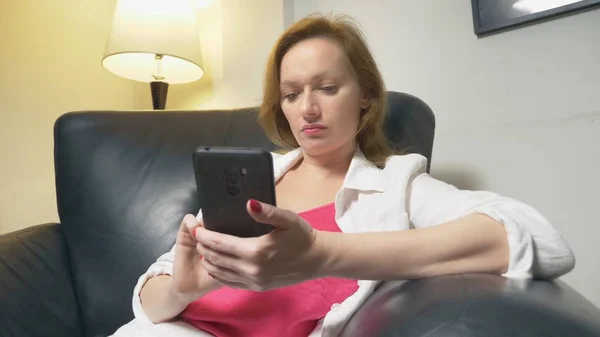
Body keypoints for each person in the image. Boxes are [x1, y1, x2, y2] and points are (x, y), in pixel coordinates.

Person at [110, 13, 575, 337]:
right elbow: (150, 300)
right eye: (291, 94)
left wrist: (321, 253)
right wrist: (183, 287)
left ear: (366, 96)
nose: (308, 108)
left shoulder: (397, 184)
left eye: (328, 88)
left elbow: (542, 240)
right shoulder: (252, 176)